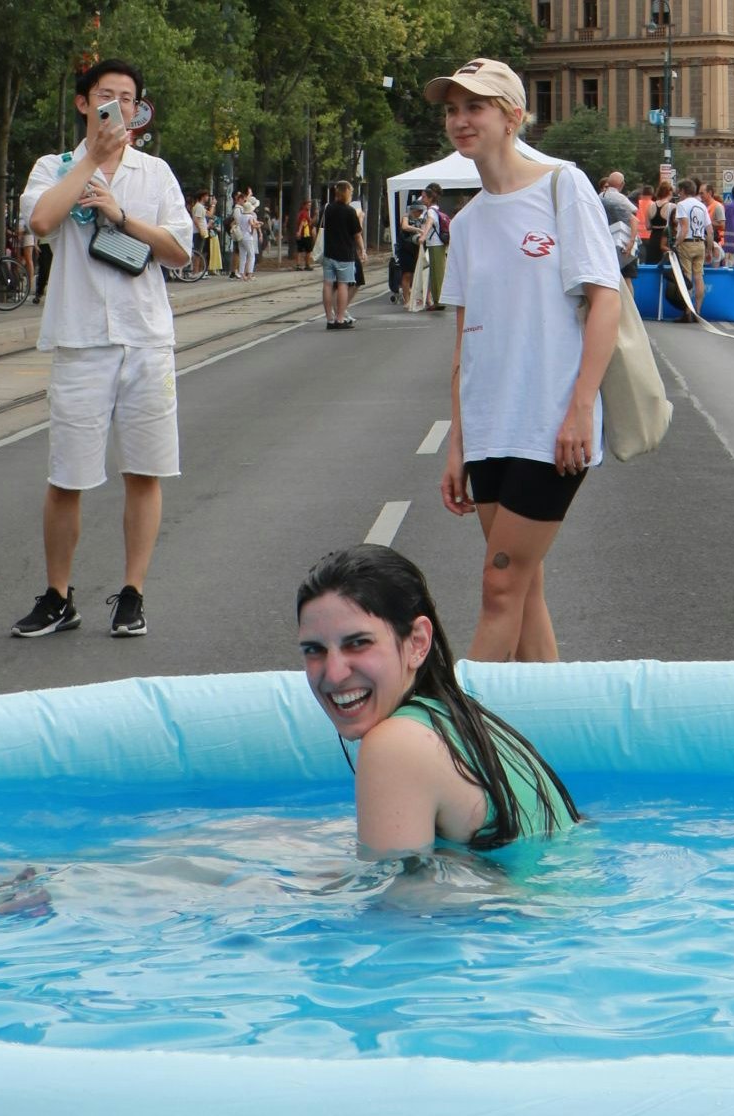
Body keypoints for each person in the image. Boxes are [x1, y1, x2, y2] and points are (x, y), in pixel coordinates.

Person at [427, 57, 621, 664]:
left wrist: (580, 411)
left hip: (550, 424)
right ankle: (549, 738)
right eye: (452, 109)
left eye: (475, 107)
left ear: (512, 117)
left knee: (499, 586)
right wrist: (458, 442)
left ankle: (460, 740)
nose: (461, 120)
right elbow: (466, 342)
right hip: (490, 427)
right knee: (523, 588)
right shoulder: (468, 222)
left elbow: (605, 303)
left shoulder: (564, 185)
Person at [12, 59, 195, 640]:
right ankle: (58, 595)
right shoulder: (55, 166)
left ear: (140, 110)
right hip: (81, 339)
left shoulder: (155, 172)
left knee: (145, 470)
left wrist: (122, 216)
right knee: (67, 475)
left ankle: (133, 593)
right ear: (84, 104)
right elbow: (40, 221)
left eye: (128, 99)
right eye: (104, 96)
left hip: (145, 339)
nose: (117, 106)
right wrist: (89, 159)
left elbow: (180, 251)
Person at [296, 545, 581, 856]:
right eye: (314, 650)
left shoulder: (395, 744)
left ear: (418, 642)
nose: (334, 674)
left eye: (359, 643)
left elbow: (399, 901)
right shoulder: (458, 719)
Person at [321, 179, 363, 328]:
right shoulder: (350, 211)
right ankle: (340, 318)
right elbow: (357, 234)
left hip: (329, 252)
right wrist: (363, 250)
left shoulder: (328, 209)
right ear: (347, 193)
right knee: (343, 285)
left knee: (327, 284)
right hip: (345, 253)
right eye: (350, 192)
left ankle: (329, 319)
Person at [672, 177, 710, 318]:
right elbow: (710, 230)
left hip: (686, 243)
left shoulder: (682, 205)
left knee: (687, 278)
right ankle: (698, 311)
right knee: (699, 277)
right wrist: (710, 248)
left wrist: (675, 244)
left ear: (683, 190)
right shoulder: (702, 206)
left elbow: (684, 227)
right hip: (700, 242)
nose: (678, 194)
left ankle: (687, 312)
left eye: (679, 191)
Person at [418, 182, 450, 311]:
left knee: (437, 273)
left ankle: (439, 301)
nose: (423, 199)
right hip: (436, 244)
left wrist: (423, 236)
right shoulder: (435, 209)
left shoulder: (431, 211)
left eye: (424, 197)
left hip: (435, 243)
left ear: (430, 198)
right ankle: (438, 300)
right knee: (437, 272)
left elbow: (430, 223)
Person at [293, 199, 315, 271]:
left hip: (302, 234)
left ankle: (298, 265)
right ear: (304, 205)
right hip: (305, 234)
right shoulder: (304, 213)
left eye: (310, 205)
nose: (309, 206)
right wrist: (299, 231)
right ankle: (307, 265)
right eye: (308, 205)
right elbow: (302, 222)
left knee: (299, 250)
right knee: (308, 250)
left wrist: (315, 216)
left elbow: (310, 223)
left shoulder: (301, 213)